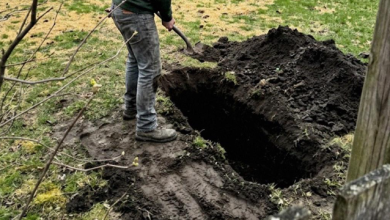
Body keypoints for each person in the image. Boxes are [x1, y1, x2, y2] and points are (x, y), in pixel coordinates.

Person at [108, 0, 177, 143]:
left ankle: (131, 107)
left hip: (121, 9)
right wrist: (167, 17)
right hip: (136, 15)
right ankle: (146, 126)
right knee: (150, 69)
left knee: (135, 59)